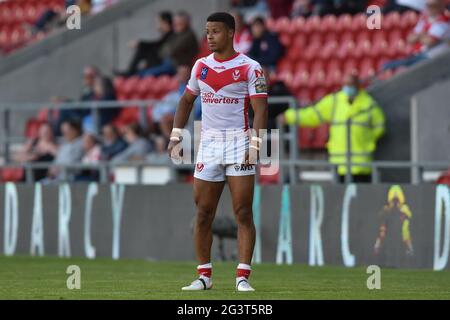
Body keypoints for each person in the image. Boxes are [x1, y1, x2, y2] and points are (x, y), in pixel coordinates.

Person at [168, 12, 268, 292]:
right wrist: (176, 136)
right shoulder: (200, 66)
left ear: (230, 33)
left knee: (243, 212)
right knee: (203, 212)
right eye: (207, 31)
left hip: (239, 143)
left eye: (215, 31)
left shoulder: (251, 67)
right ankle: (204, 276)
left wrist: (256, 145)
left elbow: (261, 110)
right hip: (208, 144)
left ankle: (242, 277)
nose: (209, 36)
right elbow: (186, 101)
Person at [282, 73, 385, 183]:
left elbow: (379, 127)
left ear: (358, 85)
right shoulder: (335, 101)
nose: (348, 88)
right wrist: (289, 116)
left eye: (350, 85)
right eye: (346, 85)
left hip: (362, 163)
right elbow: (313, 115)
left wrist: (368, 141)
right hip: (339, 163)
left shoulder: (368, 104)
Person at [382, 0, 450, 71]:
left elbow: (429, 41)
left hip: (433, 56)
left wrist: (419, 36)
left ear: (440, 7)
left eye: (433, 7)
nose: (429, 9)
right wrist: (422, 35)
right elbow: (410, 39)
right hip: (420, 54)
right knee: (388, 65)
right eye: (428, 6)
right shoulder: (424, 20)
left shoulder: (443, 21)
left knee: (405, 68)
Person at [140, 11, 198, 77]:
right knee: (143, 69)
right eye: (175, 24)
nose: (175, 26)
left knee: (147, 73)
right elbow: (163, 50)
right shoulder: (177, 34)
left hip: (179, 66)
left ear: (186, 23)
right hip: (170, 62)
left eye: (179, 23)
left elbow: (172, 50)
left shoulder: (188, 35)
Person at [115, 11, 174, 77]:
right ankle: (131, 72)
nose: (156, 25)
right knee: (143, 49)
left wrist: (140, 44)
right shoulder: (166, 35)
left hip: (162, 62)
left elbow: (158, 46)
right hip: (157, 61)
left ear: (164, 22)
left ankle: (130, 72)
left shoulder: (172, 34)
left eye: (158, 22)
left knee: (142, 48)